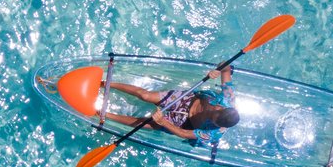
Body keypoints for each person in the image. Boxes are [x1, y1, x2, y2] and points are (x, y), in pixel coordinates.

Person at [101, 65, 239, 145]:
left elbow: (183, 133)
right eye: (218, 108)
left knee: (150, 124)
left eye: (214, 118)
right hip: (187, 99)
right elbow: (226, 67)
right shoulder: (227, 97)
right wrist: (217, 70)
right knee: (145, 96)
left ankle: (105, 115)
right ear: (224, 107)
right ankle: (106, 83)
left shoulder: (211, 134)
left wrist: (163, 122)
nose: (216, 108)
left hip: (185, 123)